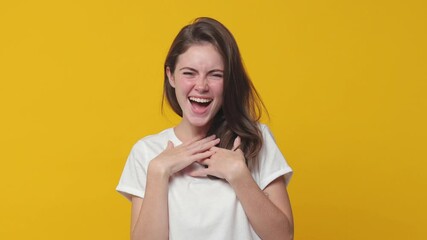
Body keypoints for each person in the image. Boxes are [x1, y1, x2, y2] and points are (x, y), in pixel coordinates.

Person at [116, 17, 294, 240]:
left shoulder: (254, 140)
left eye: (215, 75)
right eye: (189, 73)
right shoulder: (147, 153)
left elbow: (283, 236)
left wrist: (240, 176)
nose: (201, 86)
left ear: (228, 81)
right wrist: (158, 173)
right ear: (171, 76)